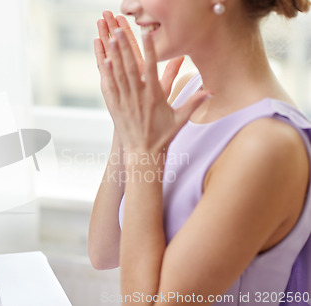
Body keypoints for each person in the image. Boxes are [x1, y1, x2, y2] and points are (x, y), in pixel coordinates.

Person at [89, 0, 311, 304]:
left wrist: (144, 152)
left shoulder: (267, 146)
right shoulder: (182, 93)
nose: (129, 6)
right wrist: (128, 124)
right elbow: (104, 252)